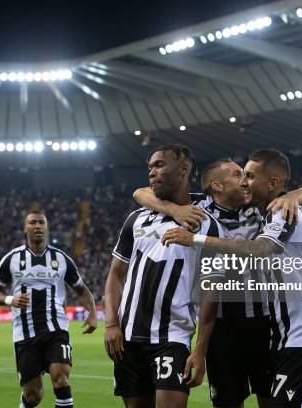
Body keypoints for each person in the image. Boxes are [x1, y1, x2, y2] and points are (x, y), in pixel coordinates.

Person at [133, 158, 302, 408]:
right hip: (221, 327)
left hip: (265, 323)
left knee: (272, 399)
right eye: (237, 174)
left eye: (247, 175)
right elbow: (140, 193)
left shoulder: (259, 204)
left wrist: (294, 195)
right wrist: (175, 210)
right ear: (217, 186)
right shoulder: (197, 206)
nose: (245, 181)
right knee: (227, 401)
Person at [104, 144, 224, 408]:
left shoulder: (207, 224)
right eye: (150, 167)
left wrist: (200, 349)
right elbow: (116, 274)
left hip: (173, 337)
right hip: (128, 338)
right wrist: (111, 323)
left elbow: (210, 293)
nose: (151, 172)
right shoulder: (136, 219)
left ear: (183, 169)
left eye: (159, 165)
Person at [0, 211, 97, 408]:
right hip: (24, 334)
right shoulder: (12, 259)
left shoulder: (61, 259)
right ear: (25, 228)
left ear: (47, 228)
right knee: (33, 396)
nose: (37, 226)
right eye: (32, 223)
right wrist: (11, 299)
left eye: (41, 223)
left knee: (61, 378)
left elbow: (82, 290)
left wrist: (92, 314)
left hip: (56, 329)